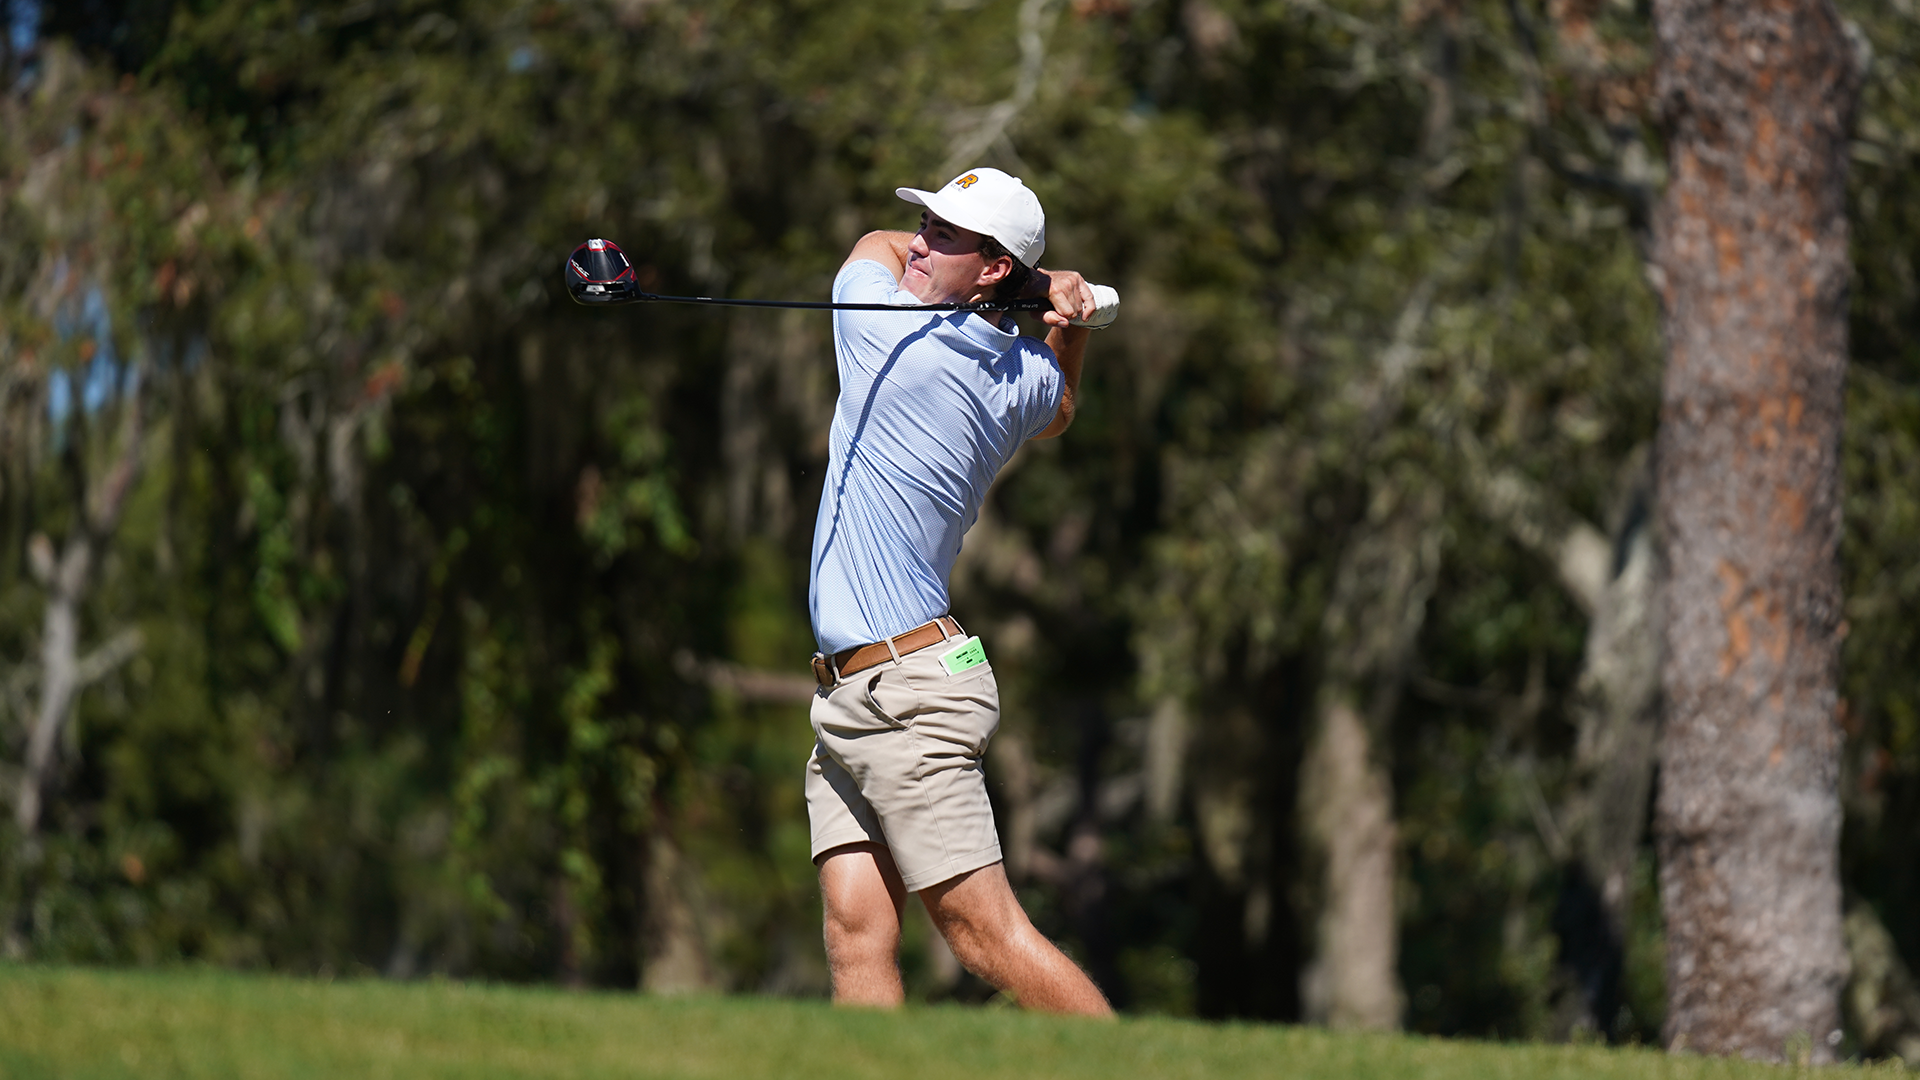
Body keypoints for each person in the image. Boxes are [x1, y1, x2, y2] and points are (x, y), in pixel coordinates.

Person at [804, 167, 1113, 1016]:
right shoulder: (1019, 380)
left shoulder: (889, 336)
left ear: (989, 270)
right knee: (855, 930)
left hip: (907, 693)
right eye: (928, 222)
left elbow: (871, 244)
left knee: (983, 935)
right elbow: (1060, 407)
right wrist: (1064, 318)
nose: (921, 244)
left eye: (947, 236)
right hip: (858, 691)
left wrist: (1039, 285)